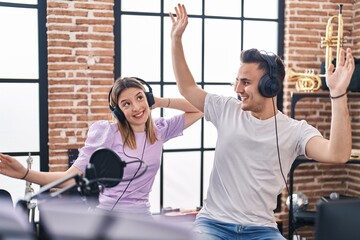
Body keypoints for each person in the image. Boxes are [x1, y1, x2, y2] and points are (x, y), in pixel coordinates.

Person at [169, 4, 355, 240]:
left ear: (270, 86)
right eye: (237, 81)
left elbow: (337, 154)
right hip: (213, 225)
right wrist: (176, 39)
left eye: (245, 82)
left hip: (262, 230)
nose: (238, 89)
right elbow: (187, 87)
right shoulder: (226, 109)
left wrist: (338, 94)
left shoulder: (295, 131)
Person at [0, 77, 203, 216]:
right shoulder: (106, 133)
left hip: (142, 216)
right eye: (126, 104)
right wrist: (25, 173)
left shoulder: (159, 130)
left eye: (140, 98)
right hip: (108, 216)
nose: (136, 108)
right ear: (117, 111)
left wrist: (158, 101)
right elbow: (70, 179)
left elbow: (200, 108)